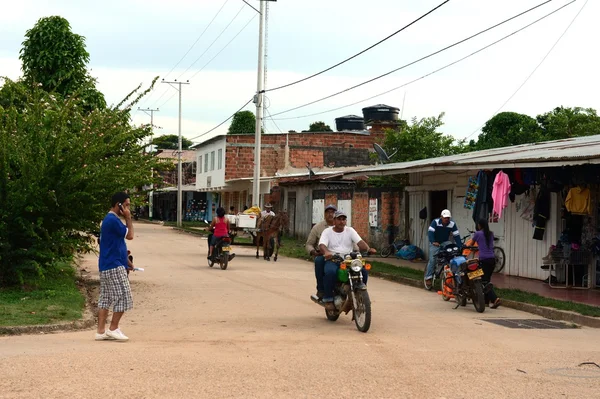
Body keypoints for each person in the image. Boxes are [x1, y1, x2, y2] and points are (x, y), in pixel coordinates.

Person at [95, 192, 135, 342]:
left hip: (108, 263)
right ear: (119, 204)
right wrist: (128, 218)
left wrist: (127, 260)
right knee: (124, 296)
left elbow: (118, 244)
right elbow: (130, 235)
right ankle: (113, 328)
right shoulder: (113, 220)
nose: (128, 208)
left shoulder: (109, 220)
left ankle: (100, 331)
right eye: (126, 205)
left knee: (106, 297)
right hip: (113, 265)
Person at [318, 210, 376, 311]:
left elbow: (360, 242)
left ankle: (360, 294)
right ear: (334, 221)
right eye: (339, 219)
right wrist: (327, 252)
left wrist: (368, 249)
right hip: (333, 260)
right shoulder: (327, 231)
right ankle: (328, 299)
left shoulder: (350, 230)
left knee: (363, 271)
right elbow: (322, 244)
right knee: (330, 272)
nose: (341, 221)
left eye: (343, 219)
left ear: (346, 221)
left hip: (349, 260)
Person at [305, 204, 343, 299]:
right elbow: (309, 244)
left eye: (333, 212)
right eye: (328, 212)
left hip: (342, 255)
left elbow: (353, 240)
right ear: (325, 214)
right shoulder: (318, 227)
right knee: (319, 261)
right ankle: (321, 289)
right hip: (324, 255)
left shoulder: (343, 226)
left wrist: (358, 251)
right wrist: (314, 252)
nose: (330, 214)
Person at [425, 209, 462, 289]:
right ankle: (428, 277)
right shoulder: (435, 222)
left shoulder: (452, 224)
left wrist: (460, 246)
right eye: (445, 218)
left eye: (448, 218)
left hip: (445, 241)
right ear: (441, 217)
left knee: (453, 254)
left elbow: (456, 236)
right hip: (435, 242)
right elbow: (430, 232)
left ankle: (454, 276)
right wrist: (433, 241)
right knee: (433, 259)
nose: (446, 219)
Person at [473, 219, 501, 308]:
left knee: (482, 280)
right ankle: (485, 301)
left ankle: (495, 299)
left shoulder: (477, 233)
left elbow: (471, 243)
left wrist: (464, 247)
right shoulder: (491, 234)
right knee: (487, 280)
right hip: (492, 260)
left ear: (479, 225)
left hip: (484, 260)